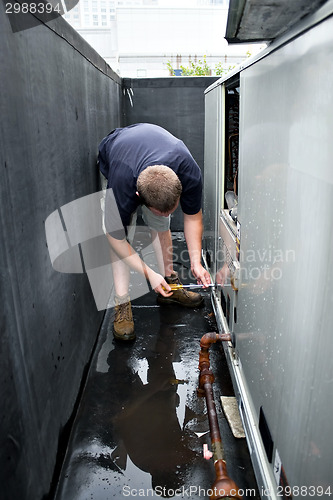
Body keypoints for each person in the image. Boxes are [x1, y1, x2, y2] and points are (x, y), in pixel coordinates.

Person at [98, 123, 211, 341]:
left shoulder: (187, 170)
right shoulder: (121, 183)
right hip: (118, 154)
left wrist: (196, 262)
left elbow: (193, 216)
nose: (165, 213)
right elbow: (115, 239)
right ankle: (122, 303)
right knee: (122, 234)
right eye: (159, 210)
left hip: (152, 159)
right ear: (139, 196)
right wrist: (149, 274)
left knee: (161, 226)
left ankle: (170, 283)